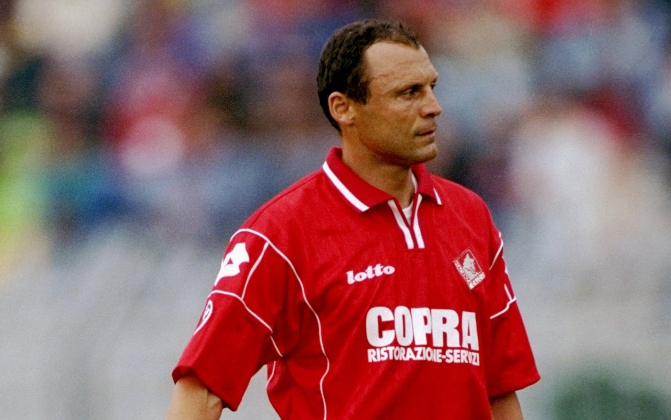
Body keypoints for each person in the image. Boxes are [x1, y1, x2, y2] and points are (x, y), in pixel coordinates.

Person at [165, 19, 540, 420]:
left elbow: (500, 390)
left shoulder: (471, 217)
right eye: (408, 93)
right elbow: (201, 392)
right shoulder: (280, 234)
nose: (433, 107)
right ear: (343, 108)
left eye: (431, 87)